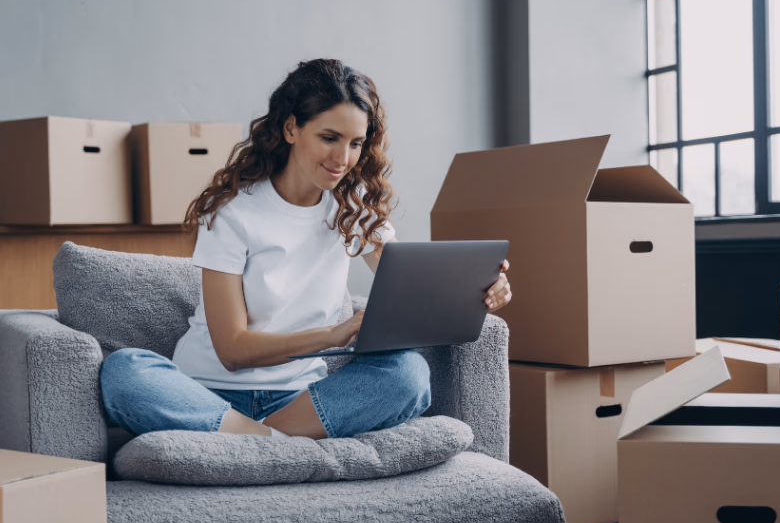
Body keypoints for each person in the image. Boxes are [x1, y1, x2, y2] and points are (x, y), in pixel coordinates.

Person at [100, 59, 512, 440]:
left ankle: (251, 443)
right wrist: (332, 335)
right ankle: (274, 444)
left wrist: (477, 290)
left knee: (408, 374)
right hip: (206, 392)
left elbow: (415, 290)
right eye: (329, 138)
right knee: (124, 370)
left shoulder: (354, 207)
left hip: (300, 401)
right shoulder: (233, 212)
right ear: (291, 128)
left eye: (355, 143)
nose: (343, 158)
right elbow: (232, 351)